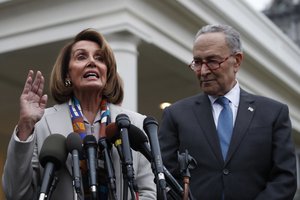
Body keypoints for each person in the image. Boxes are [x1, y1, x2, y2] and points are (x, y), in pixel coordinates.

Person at [2, 28, 156, 200]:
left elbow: (148, 192)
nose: (92, 62)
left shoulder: (135, 123)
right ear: (67, 73)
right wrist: (26, 125)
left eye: (99, 58)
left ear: (107, 72)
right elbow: (16, 194)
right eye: (81, 57)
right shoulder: (42, 124)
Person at [158, 24, 297, 200]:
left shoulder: (274, 113)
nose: (203, 71)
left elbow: (285, 179)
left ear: (237, 61)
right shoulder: (176, 114)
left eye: (213, 61)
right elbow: (165, 177)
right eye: (198, 62)